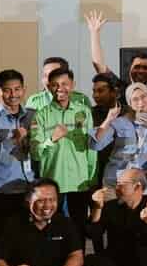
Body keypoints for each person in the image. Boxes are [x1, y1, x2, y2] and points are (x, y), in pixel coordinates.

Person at [29, 66, 97, 226]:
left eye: (64, 84)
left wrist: (92, 178)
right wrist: (52, 139)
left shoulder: (84, 112)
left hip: (80, 183)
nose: (60, 88)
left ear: (72, 85)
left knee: (79, 228)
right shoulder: (41, 115)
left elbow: (91, 148)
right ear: (48, 87)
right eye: (55, 85)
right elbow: (35, 153)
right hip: (52, 183)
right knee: (53, 229)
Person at [0, 70, 34, 236]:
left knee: (25, 236)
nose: (13, 95)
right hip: (1, 188)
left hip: (29, 186)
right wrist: (13, 140)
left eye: (17, 89)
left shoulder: (32, 116)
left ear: (24, 90)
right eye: (7, 90)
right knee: (0, 237)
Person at [92, 81, 147, 192]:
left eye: (143, 97)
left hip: (143, 184)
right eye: (135, 99)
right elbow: (96, 144)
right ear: (130, 103)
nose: (140, 102)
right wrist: (108, 120)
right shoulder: (121, 122)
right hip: (116, 180)